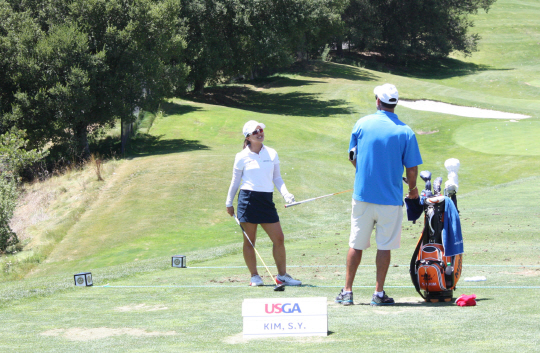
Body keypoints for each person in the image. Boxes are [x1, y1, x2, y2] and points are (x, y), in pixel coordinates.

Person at [335, 84, 422, 306]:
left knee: (356, 244)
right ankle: (378, 293)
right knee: (385, 246)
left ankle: (347, 292)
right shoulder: (405, 131)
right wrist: (412, 190)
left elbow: (352, 156)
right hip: (390, 200)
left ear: (377, 101)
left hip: (363, 196)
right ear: (395, 103)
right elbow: (411, 169)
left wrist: (363, 172)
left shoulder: (362, 124)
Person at [226, 120, 302, 287]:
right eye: (255, 131)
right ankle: (254, 276)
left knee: (279, 238)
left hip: (266, 200)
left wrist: (286, 194)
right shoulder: (241, 157)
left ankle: (282, 276)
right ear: (248, 137)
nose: (260, 133)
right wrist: (229, 202)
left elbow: (277, 178)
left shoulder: (272, 153)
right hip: (248, 200)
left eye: (261, 130)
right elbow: (235, 181)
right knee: (249, 241)